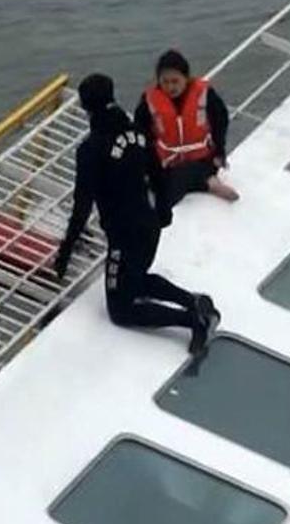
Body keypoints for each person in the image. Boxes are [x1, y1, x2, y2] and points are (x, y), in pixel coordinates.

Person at [53, 74, 220, 358]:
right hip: (149, 224)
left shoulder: (91, 150)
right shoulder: (138, 132)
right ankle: (194, 302)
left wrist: (65, 252)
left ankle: (193, 320)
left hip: (124, 235)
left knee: (121, 308)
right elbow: (159, 174)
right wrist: (164, 211)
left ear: (84, 107)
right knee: (135, 279)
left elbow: (82, 207)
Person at [134, 49, 239, 205]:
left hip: (202, 159)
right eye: (165, 82)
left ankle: (205, 181)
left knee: (176, 182)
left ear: (186, 78)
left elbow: (220, 120)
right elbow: (140, 132)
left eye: (175, 81)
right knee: (165, 178)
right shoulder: (148, 101)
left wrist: (220, 151)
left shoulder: (205, 94)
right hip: (168, 163)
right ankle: (208, 183)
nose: (170, 87)